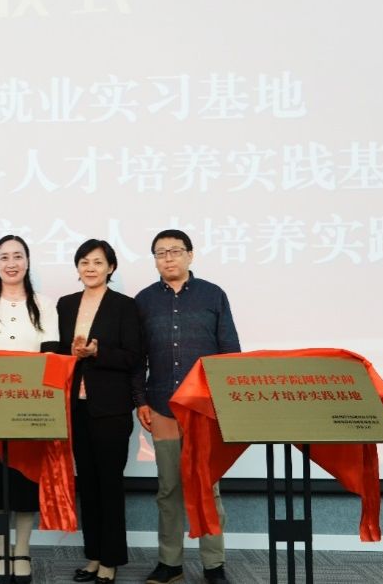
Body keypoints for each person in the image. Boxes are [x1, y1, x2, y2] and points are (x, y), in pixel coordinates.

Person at [135, 229, 240, 584]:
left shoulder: (213, 295)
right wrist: (141, 401)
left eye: (175, 251)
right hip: (162, 404)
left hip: (203, 409)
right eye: (160, 252)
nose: (168, 258)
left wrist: (226, 403)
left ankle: (214, 564)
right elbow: (138, 359)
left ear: (190, 255)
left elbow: (229, 353)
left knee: (207, 487)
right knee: (168, 489)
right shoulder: (144, 301)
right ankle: (170, 563)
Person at [0, 235, 59, 584]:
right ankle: (2, 548)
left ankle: (22, 549)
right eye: (4, 257)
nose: (11, 263)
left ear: (28, 262)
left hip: (30, 407)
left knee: (25, 481)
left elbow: (51, 354)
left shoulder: (44, 304)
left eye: (18, 256)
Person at [56, 239, 145, 584]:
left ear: (111, 267)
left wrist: (97, 353)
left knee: (109, 484)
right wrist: (71, 354)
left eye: (97, 262)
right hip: (76, 408)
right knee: (88, 485)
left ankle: (111, 560)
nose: (90, 268)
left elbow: (134, 357)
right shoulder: (66, 304)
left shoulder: (125, 306)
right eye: (84, 262)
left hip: (111, 410)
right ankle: (93, 555)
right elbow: (58, 354)